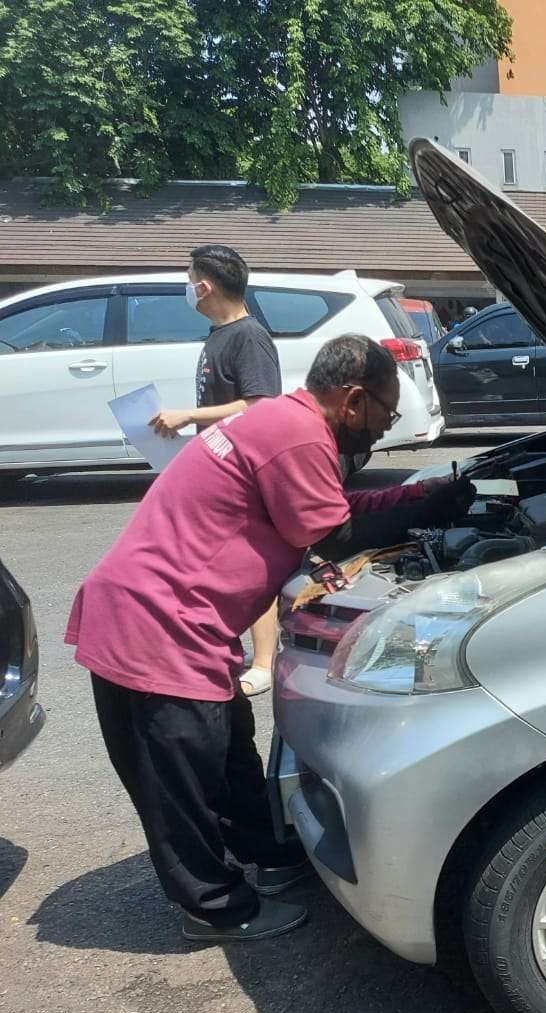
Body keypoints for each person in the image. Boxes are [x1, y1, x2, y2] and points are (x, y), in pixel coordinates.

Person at [67, 335, 474, 943]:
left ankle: (271, 857)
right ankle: (214, 908)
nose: (383, 429)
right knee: (180, 780)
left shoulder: (285, 421)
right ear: (354, 399)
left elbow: (331, 507)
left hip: (182, 618)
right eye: (385, 415)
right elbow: (334, 536)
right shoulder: (299, 433)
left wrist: (420, 495)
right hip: (154, 622)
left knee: (229, 747)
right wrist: (433, 512)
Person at [150, 245, 284, 698]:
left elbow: (261, 402)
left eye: (190, 280)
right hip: (217, 464)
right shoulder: (218, 334)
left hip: (244, 470)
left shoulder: (250, 336)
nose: (188, 288)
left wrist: (189, 416)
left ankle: (265, 662)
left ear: (204, 286)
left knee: (249, 563)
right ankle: (228, 649)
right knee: (221, 563)